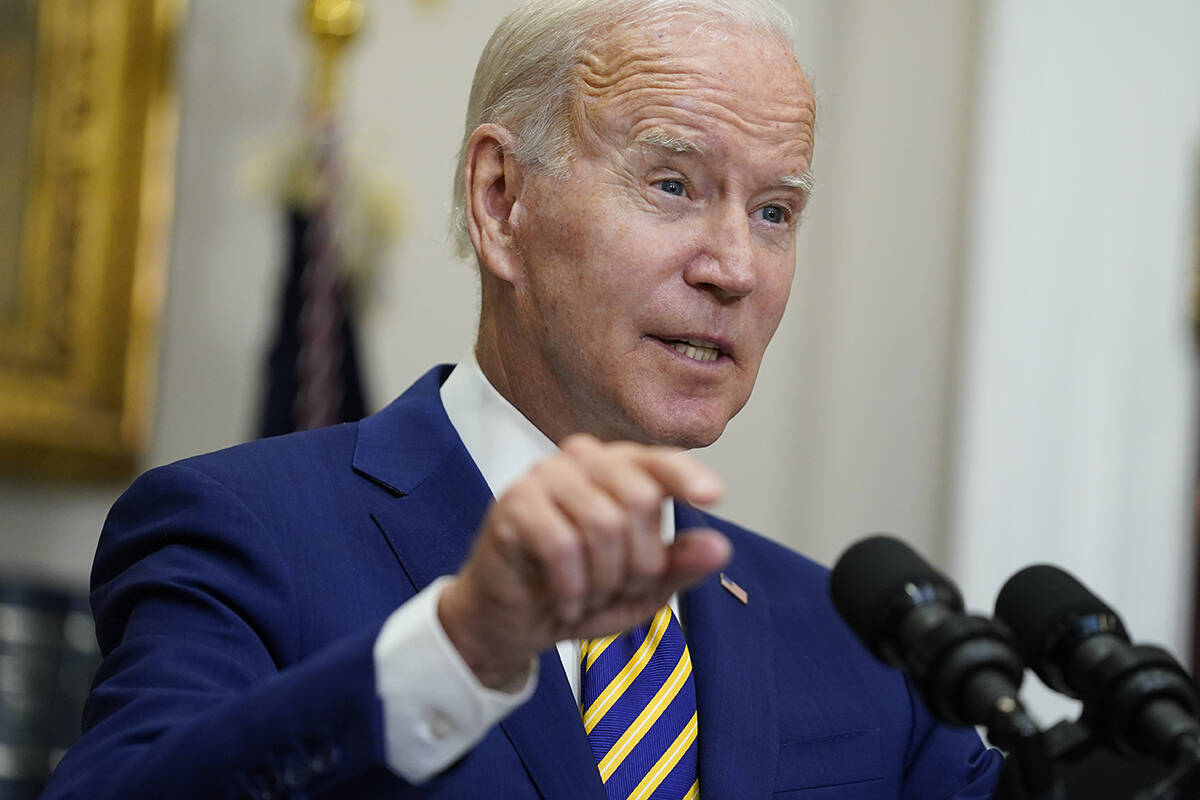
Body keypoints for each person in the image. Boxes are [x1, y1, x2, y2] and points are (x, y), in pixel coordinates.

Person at [44, 1, 1003, 798]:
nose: (735, 269)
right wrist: (460, 650)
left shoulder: (860, 643)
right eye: (673, 184)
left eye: (774, 212)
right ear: (502, 199)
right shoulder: (244, 533)